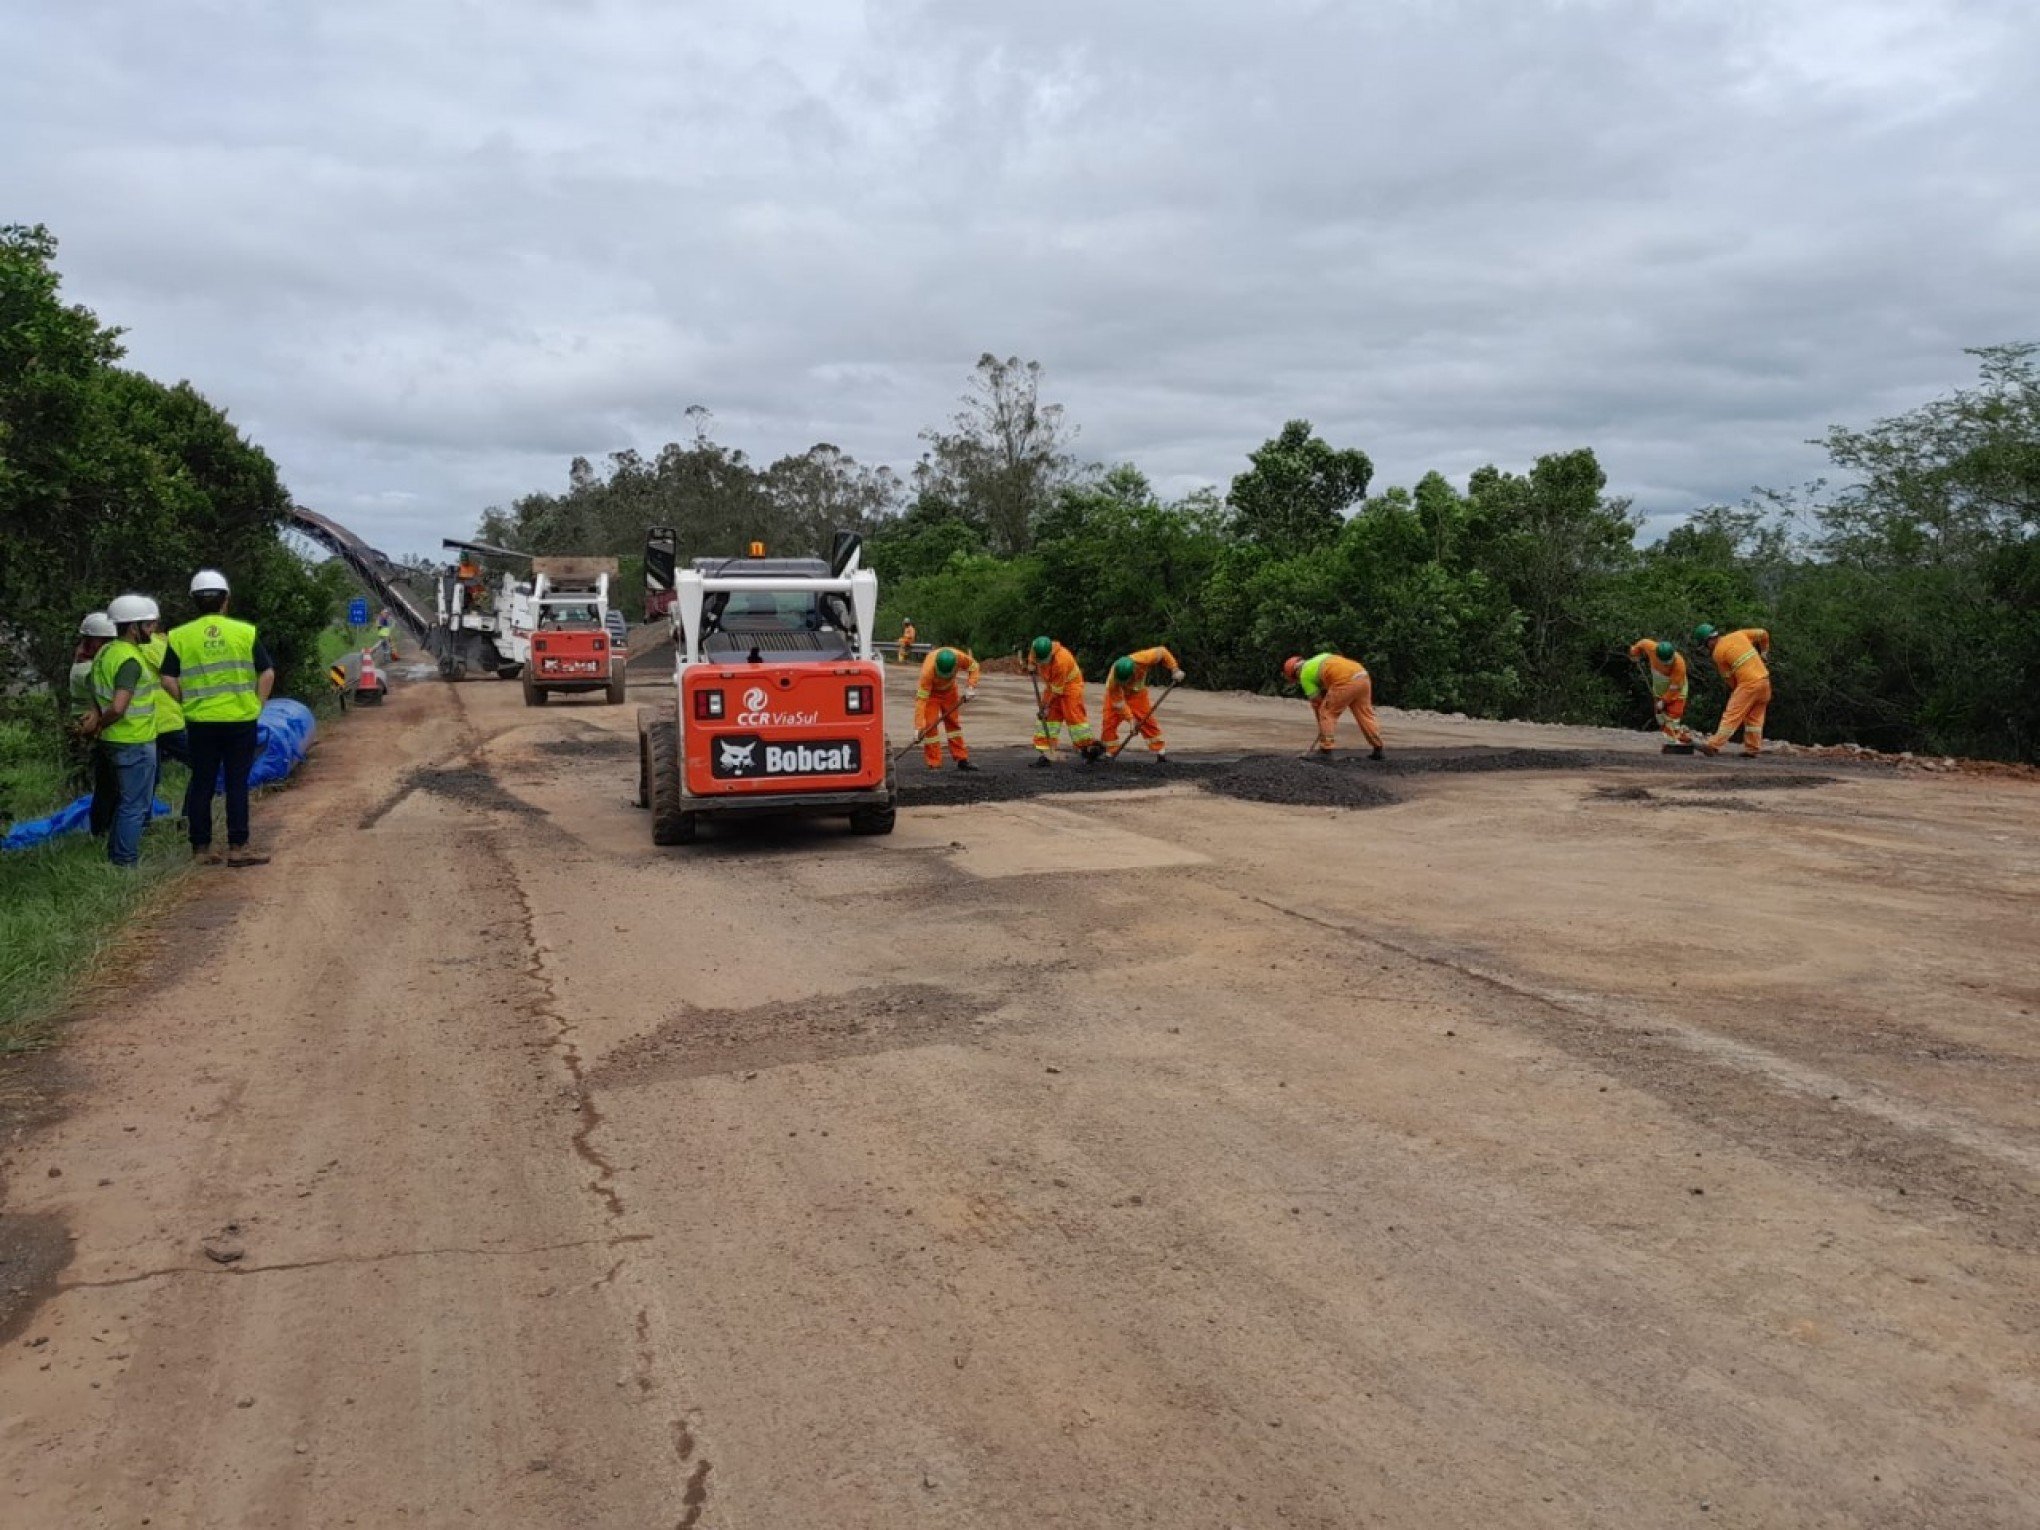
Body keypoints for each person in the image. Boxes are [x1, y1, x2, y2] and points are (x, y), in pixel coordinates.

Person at [160, 569, 275, 866]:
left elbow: (167, 678)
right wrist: (258, 704)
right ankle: (238, 848)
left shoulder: (179, 636)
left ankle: (201, 849)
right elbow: (267, 671)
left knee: (202, 783)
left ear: (194, 601)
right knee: (237, 783)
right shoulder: (244, 632)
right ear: (226, 599)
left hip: (200, 723)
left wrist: (186, 700)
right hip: (240, 720)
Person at [79, 595, 161, 869]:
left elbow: (92, 687)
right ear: (132, 627)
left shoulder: (105, 653)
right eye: (148, 625)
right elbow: (119, 706)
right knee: (134, 805)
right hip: (134, 741)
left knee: (124, 801)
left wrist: (96, 724)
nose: (152, 630)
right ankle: (124, 862)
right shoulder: (130, 660)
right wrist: (102, 722)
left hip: (113, 742)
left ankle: (116, 854)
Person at [69, 612, 119, 837]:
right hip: (96, 729)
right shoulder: (88, 671)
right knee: (109, 785)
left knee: (107, 783)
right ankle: (102, 830)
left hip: (95, 727)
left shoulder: (84, 662)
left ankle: (102, 829)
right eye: (106, 642)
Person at [1284, 652, 1386, 760]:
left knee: (1327, 713)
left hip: (1345, 681)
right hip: (1362, 675)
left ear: (1295, 673)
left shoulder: (1304, 674)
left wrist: (1322, 726)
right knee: (1365, 714)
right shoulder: (1321, 657)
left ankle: (1325, 750)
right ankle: (1378, 748)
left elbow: (1317, 703)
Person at [1695, 623, 1771, 757]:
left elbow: (1729, 678)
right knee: (1754, 719)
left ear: (1709, 641)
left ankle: (1713, 745)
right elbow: (1763, 633)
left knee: (1732, 714)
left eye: (1705, 645)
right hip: (1765, 682)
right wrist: (1764, 652)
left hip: (1748, 684)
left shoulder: (1718, 653)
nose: (1707, 649)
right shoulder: (1739, 634)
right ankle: (1752, 748)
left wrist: (1737, 693)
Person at [1024, 636, 1102, 765]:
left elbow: (1056, 691)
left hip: (1070, 686)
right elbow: (1032, 656)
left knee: (1075, 719)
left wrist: (1046, 707)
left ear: (1051, 654)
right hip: (1052, 685)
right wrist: (1031, 663)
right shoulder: (1036, 647)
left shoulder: (1061, 661)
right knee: (1048, 720)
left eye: (1044, 660)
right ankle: (1046, 753)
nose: (1042, 663)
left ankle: (1088, 749)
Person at [1102, 647, 1185, 761]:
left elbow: (1162, 652)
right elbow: (1119, 704)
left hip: (1137, 694)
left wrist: (1175, 669)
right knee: (1109, 721)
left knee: (1147, 720)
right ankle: (1110, 753)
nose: (1124, 683)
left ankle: (1160, 753)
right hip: (1118, 696)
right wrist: (1131, 720)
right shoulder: (1113, 681)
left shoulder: (1143, 659)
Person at [915, 647, 981, 771]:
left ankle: (961, 759)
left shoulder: (959, 657)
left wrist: (971, 687)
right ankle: (934, 763)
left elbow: (974, 666)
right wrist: (918, 727)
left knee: (954, 725)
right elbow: (921, 700)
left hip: (950, 692)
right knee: (930, 726)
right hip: (932, 695)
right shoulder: (927, 671)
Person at [140, 613, 190, 774]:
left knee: (152, 774)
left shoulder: (141, 645)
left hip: (150, 722)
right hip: (167, 718)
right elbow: (173, 675)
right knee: (202, 760)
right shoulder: (153, 644)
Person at [1628, 637, 1694, 752]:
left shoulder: (1679, 664)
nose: (1667, 664)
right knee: (1661, 718)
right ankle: (1680, 736)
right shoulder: (1651, 647)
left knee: (1673, 717)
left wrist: (1664, 701)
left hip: (1677, 692)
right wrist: (1634, 652)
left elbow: (1674, 688)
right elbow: (1641, 644)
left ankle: (1674, 741)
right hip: (1659, 690)